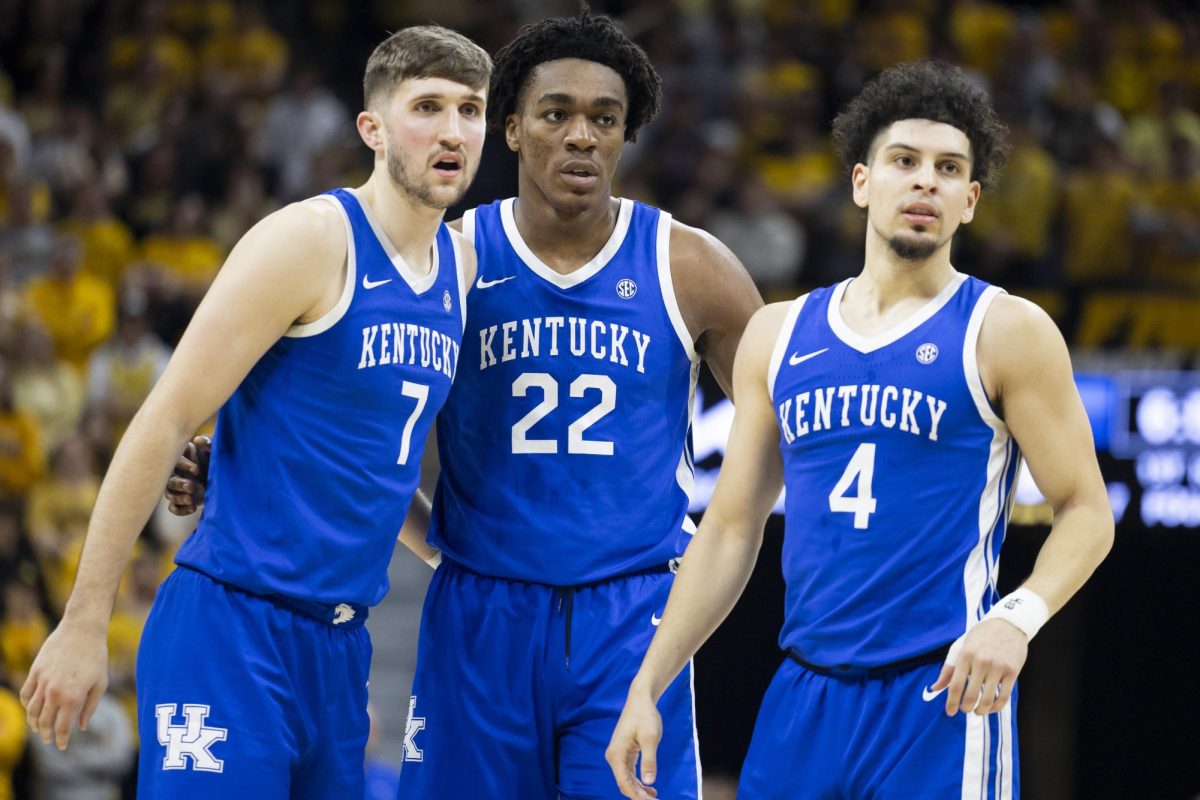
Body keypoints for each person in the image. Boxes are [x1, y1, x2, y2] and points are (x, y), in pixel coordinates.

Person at [169, 11, 762, 799]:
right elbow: (357, 427)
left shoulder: (691, 266)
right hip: (479, 608)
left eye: (605, 120)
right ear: (511, 129)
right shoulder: (450, 261)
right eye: (557, 115)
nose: (581, 136)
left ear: (626, 136)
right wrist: (250, 469)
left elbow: (790, 435)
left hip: (632, 615)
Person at [606, 61, 1114, 800]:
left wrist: (1017, 618)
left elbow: (1088, 510)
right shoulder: (778, 335)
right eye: (904, 162)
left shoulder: (1006, 331)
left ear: (969, 202)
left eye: (948, 170)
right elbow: (730, 528)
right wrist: (647, 685)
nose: (925, 183)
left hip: (941, 695)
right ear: (861, 182)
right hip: (802, 693)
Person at [20, 25, 490, 798]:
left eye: (469, 110)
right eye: (428, 107)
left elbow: (373, 465)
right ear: (372, 129)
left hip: (339, 648)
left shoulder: (461, 268)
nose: (452, 131)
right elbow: (165, 420)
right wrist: (82, 622)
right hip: (231, 629)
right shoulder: (308, 241)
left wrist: (460, 557)